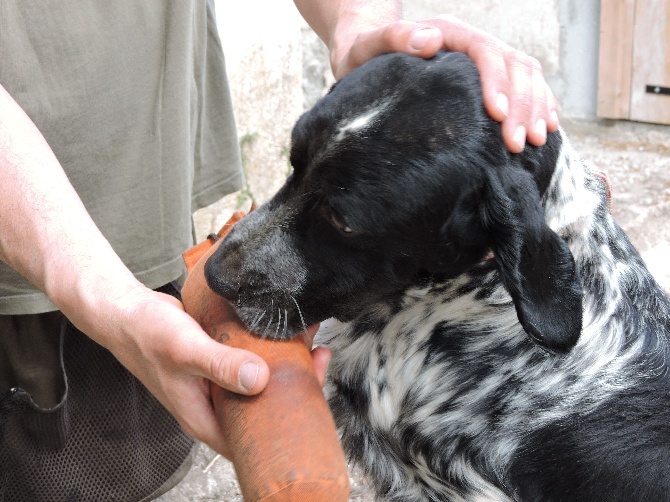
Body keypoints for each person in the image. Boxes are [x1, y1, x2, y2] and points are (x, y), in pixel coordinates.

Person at [0, 0, 558, 499]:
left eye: (339, 217)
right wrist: (103, 299)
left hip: (132, 175)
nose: (226, 267)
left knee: (126, 466)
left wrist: (356, 20)